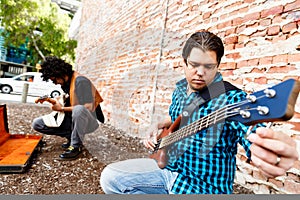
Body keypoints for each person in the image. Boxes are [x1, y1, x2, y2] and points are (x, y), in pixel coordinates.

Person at [99, 31, 299, 194]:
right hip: (168, 170)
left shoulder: (232, 100)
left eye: (208, 66)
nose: (200, 72)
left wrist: (271, 151)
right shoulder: (179, 90)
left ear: (218, 66)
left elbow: (252, 133)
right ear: (184, 63)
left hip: (201, 188)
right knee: (111, 178)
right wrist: (158, 125)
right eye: (194, 65)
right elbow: (174, 116)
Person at [32, 56, 105, 160]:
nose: (55, 83)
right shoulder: (66, 83)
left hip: (89, 122)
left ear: (60, 73)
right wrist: (51, 101)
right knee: (37, 123)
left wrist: (61, 109)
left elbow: (88, 107)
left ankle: (76, 147)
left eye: (54, 79)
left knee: (79, 110)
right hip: (72, 119)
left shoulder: (81, 81)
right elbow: (68, 100)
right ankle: (71, 136)